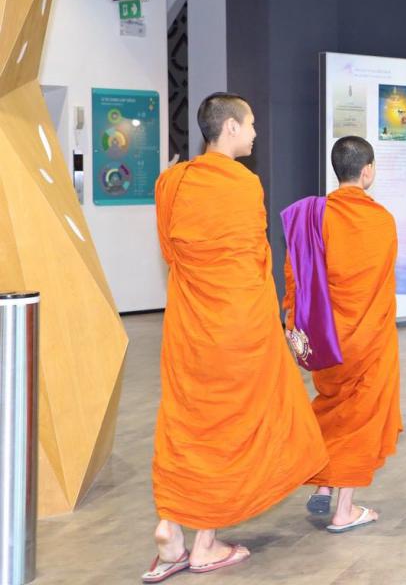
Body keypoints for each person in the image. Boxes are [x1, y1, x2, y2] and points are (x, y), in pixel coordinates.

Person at [145, 93, 327, 583]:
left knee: (185, 422)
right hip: (237, 328)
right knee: (230, 427)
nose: (254, 133)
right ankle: (204, 544)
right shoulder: (245, 185)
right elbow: (255, 259)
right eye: (250, 125)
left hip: (189, 329)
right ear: (229, 128)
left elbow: (171, 252)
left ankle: (170, 527)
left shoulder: (172, 182)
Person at [282, 136, 402, 533]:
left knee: (332, 406)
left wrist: (295, 325)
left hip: (325, 338)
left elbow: (295, 278)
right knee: (361, 417)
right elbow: (382, 280)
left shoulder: (313, 218)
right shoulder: (382, 221)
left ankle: (323, 481)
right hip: (368, 339)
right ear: (367, 171)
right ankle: (344, 510)